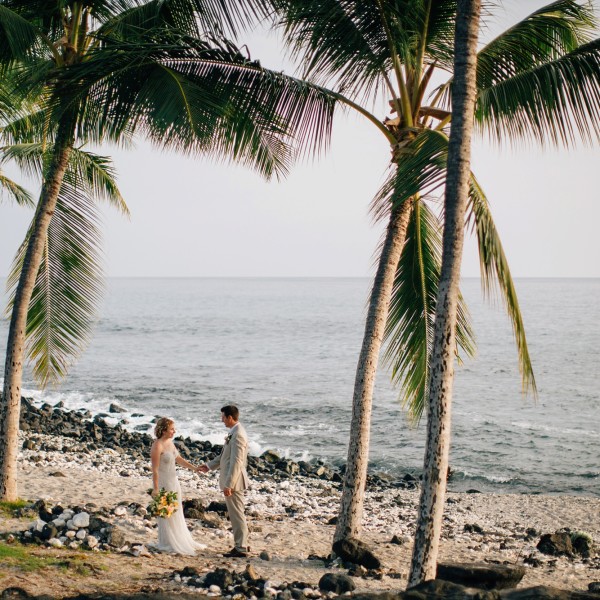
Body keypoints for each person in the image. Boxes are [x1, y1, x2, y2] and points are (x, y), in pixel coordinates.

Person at [199, 405, 250, 557]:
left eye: (223, 417)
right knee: (235, 513)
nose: (221, 420)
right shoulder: (233, 432)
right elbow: (224, 457)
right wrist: (208, 466)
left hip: (234, 482)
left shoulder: (239, 434)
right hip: (231, 480)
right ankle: (242, 545)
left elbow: (236, 462)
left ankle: (241, 547)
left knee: (237, 514)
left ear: (229, 417)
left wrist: (229, 484)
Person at [150, 417, 206, 555]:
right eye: (172, 429)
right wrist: (156, 488)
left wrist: (194, 468)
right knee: (166, 513)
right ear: (163, 431)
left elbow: (179, 459)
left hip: (173, 481)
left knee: (176, 511)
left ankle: (179, 538)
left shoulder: (170, 442)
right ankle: (167, 541)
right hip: (163, 483)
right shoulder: (157, 445)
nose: (174, 431)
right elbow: (155, 469)